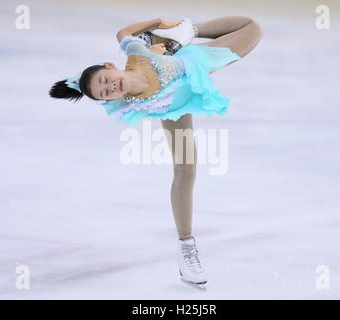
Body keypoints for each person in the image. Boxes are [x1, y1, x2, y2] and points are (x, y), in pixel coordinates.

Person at [49, 16, 262, 287]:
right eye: (105, 93)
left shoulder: (137, 53)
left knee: (253, 28)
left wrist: (160, 23)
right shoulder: (127, 100)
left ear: (110, 66)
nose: (111, 87)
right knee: (185, 171)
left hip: (197, 63)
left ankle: (189, 30)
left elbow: (122, 31)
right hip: (173, 107)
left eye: (106, 79)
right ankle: (186, 248)